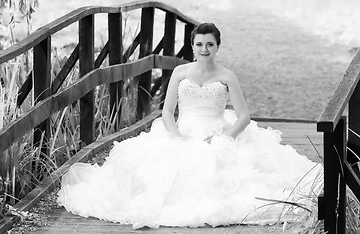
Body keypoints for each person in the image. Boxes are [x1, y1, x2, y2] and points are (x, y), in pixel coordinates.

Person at [57, 23, 321, 229]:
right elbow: (168, 112)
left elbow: (243, 116)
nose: (204, 49)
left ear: (218, 47)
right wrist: (177, 136)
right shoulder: (181, 73)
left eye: (210, 44)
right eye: (199, 44)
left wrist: (224, 137)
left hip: (217, 131)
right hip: (182, 130)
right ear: (192, 46)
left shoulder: (227, 76)